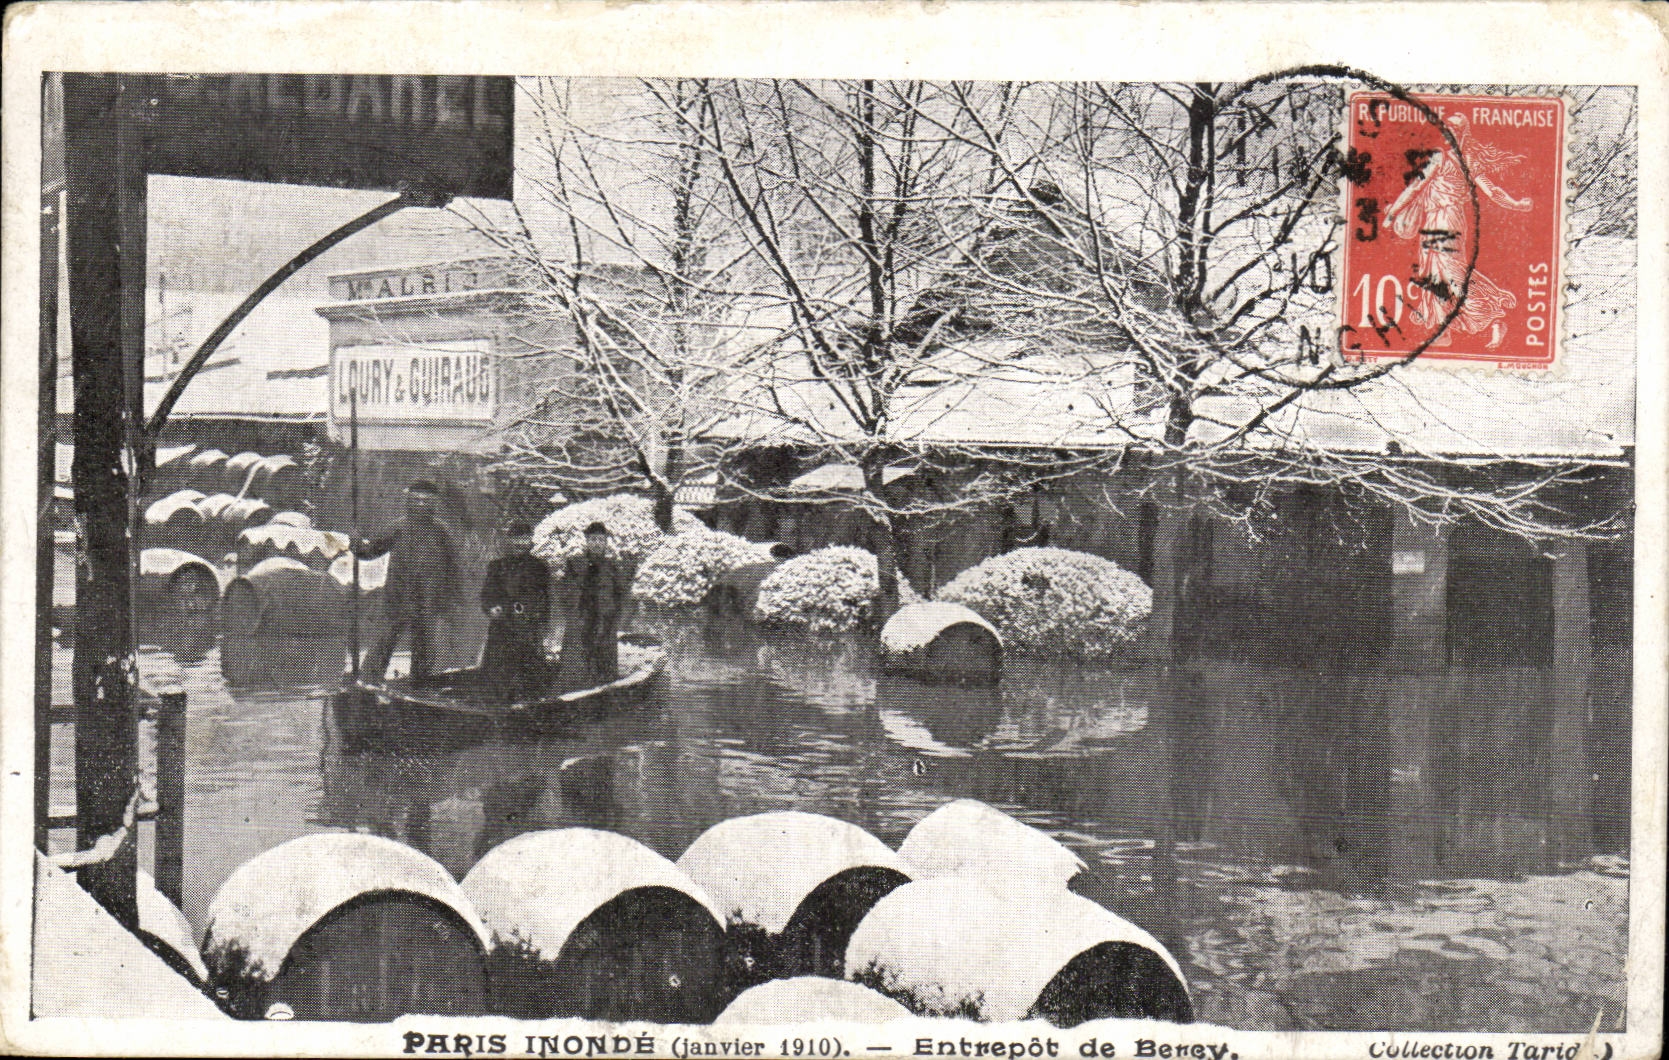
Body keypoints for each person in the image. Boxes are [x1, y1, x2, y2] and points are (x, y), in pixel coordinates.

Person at [357, 479, 459, 681]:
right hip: (398, 598)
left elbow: (453, 568)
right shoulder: (398, 527)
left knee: (424, 649)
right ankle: (367, 683)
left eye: (426, 501)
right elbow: (370, 552)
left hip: (427, 602)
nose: (421, 505)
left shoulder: (442, 531)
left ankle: (420, 688)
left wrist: (449, 600)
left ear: (434, 503)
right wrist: (355, 542)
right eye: (416, 500)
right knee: (383, 643)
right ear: (408, 501)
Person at [479, 521, 553, 699]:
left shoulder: (539, 567)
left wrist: (540, 623)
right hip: (502, 629)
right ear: (509, 540)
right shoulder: (497, 566)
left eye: (525, 539)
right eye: (516, 539)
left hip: (528, 630)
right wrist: (492, 608)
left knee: (530, 677)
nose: (520, 543)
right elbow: (487, 595)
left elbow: (545, 600)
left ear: (530, 541)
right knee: (498, 678)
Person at [557, 521, 629, 692]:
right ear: (586, 541)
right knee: (576, 667)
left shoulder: (612, 567)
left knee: (604, 669)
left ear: (606, 542)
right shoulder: (575, 564)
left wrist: (613, 618)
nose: (597, 543)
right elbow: (565, 593)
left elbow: (622, 597)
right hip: (581, 624)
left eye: (601, 540)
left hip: (605, 624)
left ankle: (604, 696)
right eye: (593, 539)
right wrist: (574, 616)